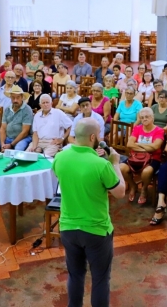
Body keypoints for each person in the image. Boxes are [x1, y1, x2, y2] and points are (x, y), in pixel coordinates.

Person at [52, 118, 125, 307]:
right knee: (100, 279)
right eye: (99, 134)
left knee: (75, 276)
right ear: (93, 137)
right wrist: (114, 163)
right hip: (96, 230)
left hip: (68, 227)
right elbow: (120, 192)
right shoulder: (100, 164)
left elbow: (61, 176)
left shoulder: (60, 157)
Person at [120, 108, 164, 204]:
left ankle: (144, 189)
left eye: (147, 117)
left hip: (153, 159)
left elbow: (155, 147)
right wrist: (146, 149)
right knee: (121, 167)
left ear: (152, 118)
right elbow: (129, 144)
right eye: (142, 117)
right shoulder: (137, 128)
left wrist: (138, 144)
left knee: (146, 172)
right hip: (135, 157)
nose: (144, 119)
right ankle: (133, 186)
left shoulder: (159, 130)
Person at [0, 86, 34, 156]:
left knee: (18, 150)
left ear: (22, 97)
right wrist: (2, 145)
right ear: (10, 98)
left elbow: (25, 132)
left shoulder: (27, 110)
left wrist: (11, 145)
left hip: (23, 138)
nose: (15, 100)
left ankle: (12, 165)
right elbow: (3, 128)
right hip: (8, 137)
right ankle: (2, 162)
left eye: (18, 97)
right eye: (13, 97)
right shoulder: (7, 109)